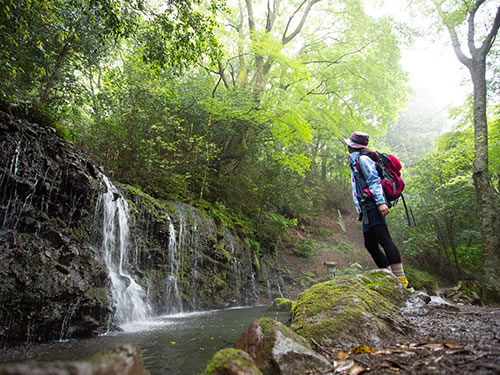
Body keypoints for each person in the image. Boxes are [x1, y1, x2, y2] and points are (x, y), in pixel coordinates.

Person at [344, 131, 411, 289]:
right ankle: (390, 279)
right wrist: (361, 209)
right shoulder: (356, 161)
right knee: (370, 244)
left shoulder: (363, 159)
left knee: (384, 239)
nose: (347, 147)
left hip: (373, 203)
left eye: (349, 144)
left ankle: (402, 283)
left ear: (353, 147)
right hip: (367, 206)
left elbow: (373, 181)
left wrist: (380, 202)